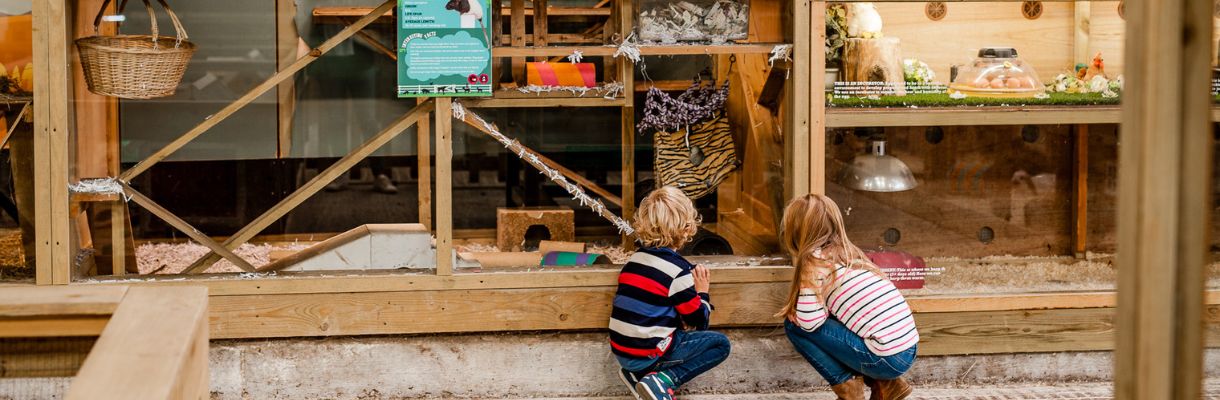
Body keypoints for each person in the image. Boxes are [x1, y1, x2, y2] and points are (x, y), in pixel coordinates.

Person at [777, 194, 919, 400]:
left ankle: (848, 388)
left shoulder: (815, 263)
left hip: (886, 358)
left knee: (795, 326)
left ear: (795, 232)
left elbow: (809, 322)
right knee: (836, 320)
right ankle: (888, 385)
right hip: (908, 350)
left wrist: (798, 311)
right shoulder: (849, 253)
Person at [609, 187, 730, 400]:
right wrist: (703, 293)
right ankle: (664, 380)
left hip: (623, 353)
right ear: (686, 227)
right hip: (648, 353)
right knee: (720, 344)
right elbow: (698, 321)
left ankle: (637, 376)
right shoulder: (677, 271)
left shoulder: (634, 260)